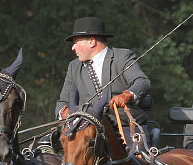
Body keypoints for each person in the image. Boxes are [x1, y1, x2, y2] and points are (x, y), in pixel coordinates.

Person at [54, 17, 151, 148]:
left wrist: (127, 95)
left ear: (92, 42)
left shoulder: (122, 57)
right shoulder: (74, 66)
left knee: (135, 164)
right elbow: (62, 102)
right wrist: (64, 113)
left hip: (126, 128)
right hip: (89, 132)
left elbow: (142, 81)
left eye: (76, 42)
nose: (73, 47)